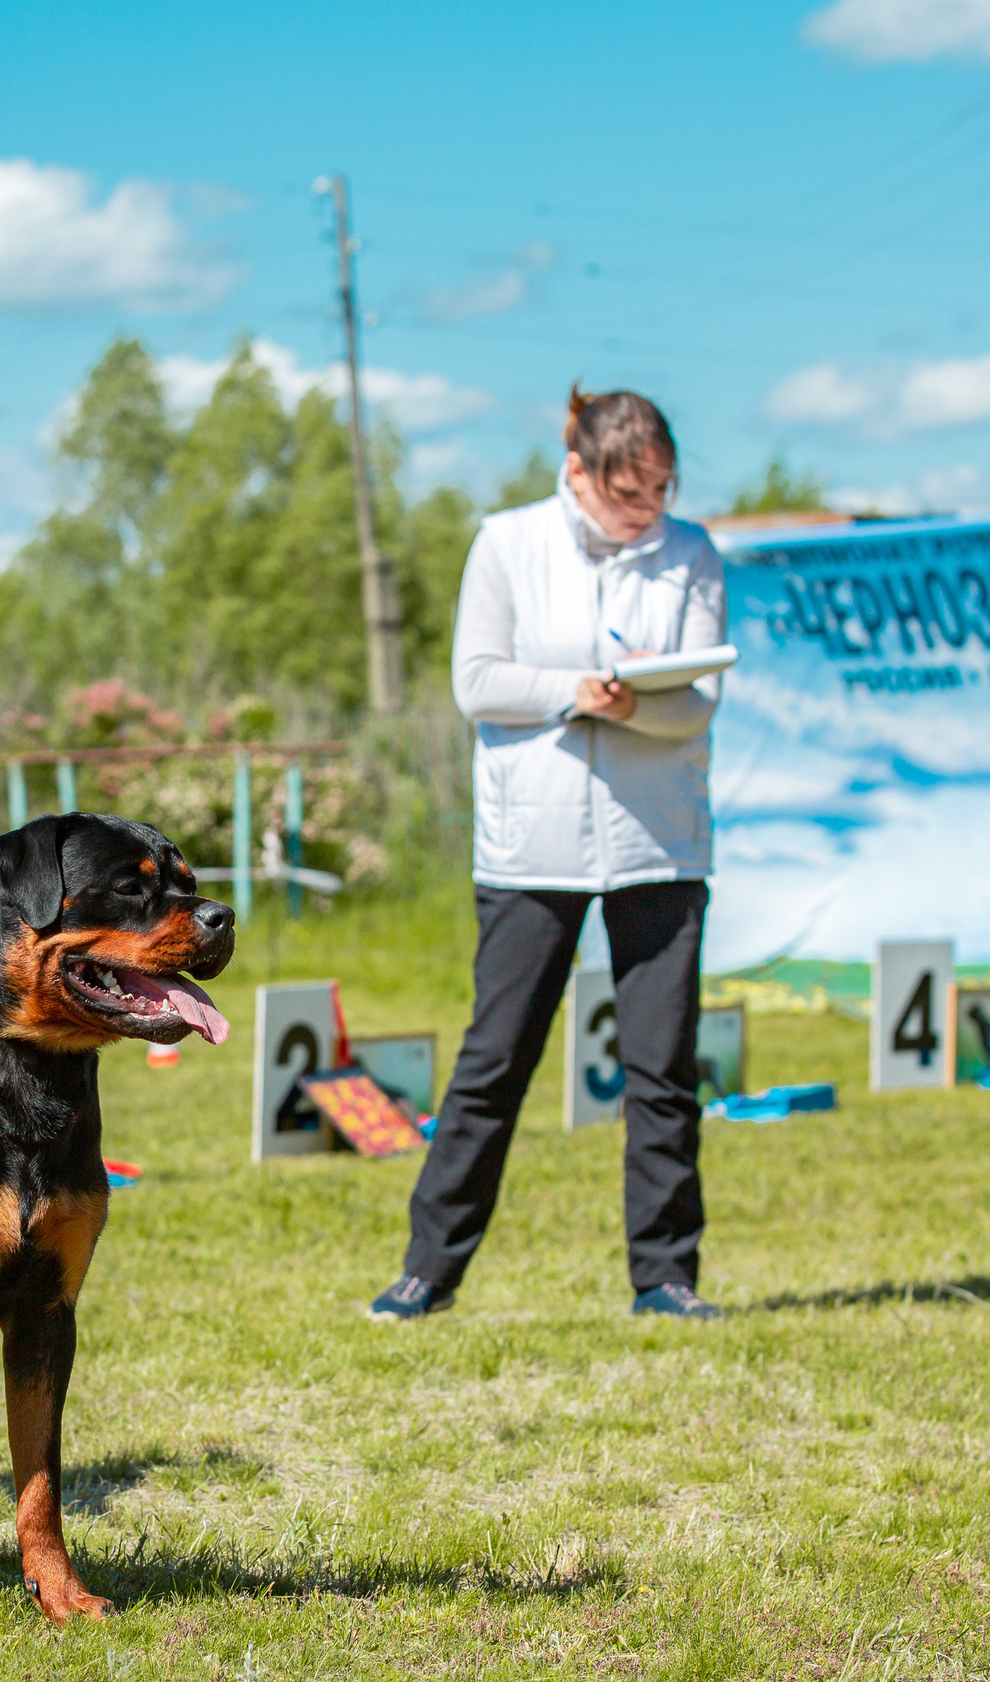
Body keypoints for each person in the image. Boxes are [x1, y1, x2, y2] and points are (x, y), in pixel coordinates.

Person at [368, 385, 726, 1324]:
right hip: (533, 846)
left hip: (661, 844)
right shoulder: (507, 542)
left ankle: (666, 1278)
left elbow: (698, 699)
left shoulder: (693, 553)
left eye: (660, 489)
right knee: (495, 1062)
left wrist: (635, 703)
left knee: (664, 1071)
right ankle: (427, 1271)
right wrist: (577, 692)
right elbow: (477, 683)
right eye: (627, 490)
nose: (647, 508)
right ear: (576, 470)